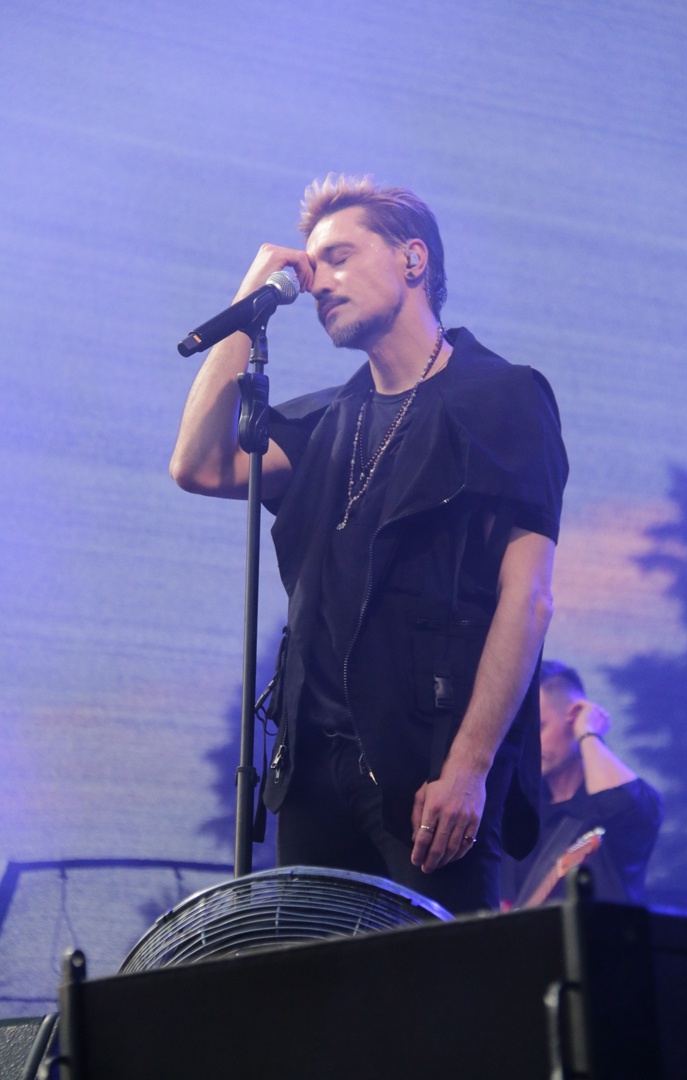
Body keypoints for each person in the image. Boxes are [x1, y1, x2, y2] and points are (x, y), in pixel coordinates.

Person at [170, 174, 568, 914]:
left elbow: (529, 597)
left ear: (413, 259)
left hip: (427, 774)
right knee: (314, 984)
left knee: (436, 984)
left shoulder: (501, 398)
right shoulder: (329, 421)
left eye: (341, 257)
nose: (319, 283)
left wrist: (470, 767)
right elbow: (197, 465)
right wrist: (252, 295)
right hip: (312, 778)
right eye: (312, 266)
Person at [501, 660, 663, 907]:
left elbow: (619, 804)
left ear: (574, 716)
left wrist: (588, 733)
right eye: (523, 732)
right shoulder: (519, 814)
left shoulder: (624, 800)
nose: (528, 744)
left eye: (540, 727)